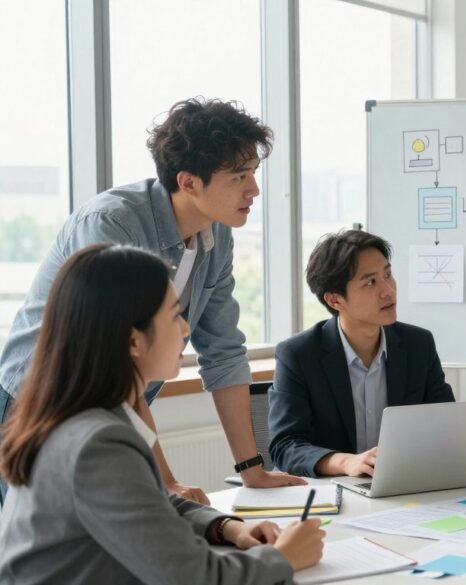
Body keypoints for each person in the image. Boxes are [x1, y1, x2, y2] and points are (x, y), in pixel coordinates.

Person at [0, 98, 304, 507]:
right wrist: (166, 481)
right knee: (44, 554)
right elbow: (113, 360)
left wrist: (252, 468)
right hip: (37, 401)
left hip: (111, 403)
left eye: (253, 172)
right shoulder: (112, 224)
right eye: (238, 176)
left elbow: (224, 350)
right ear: (189, 182)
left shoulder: (218, 237)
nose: (254, 189)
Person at [0, 244, 325, 584]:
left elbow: (149, 504)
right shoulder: (99, 443)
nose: (186, 330)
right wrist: (282, 558)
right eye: (174, 315)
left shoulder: (93, 415)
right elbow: (192, 577)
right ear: (133, 342)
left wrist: (225, 525)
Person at [269, 230, 454, 477]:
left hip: (403, 487)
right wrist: (347, 463)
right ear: (335, 301)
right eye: (370, 282)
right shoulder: (299, 355)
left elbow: (447, 425)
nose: (388, 290)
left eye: (388, 275)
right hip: (334, 493)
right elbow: (286, 446)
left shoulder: (418, 345)